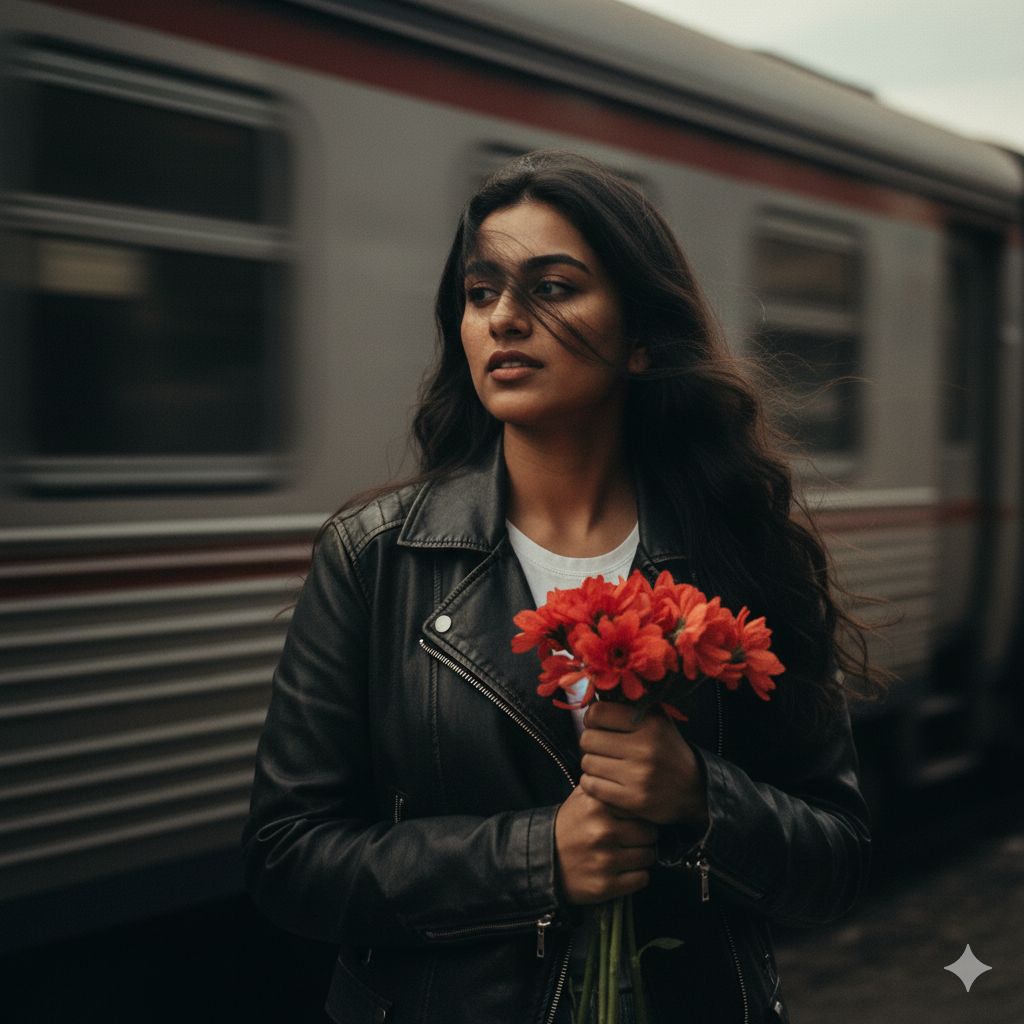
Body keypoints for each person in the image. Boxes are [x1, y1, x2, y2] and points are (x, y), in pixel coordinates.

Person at [242, 149, 872, 1024]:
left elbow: (837, 861)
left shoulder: (745, 552)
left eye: (552, 288)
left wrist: (698, 794)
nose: (503, 317)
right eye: (479, 291)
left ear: (643, 338)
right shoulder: (377, 556)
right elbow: (288, 858)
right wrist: (538, 859)